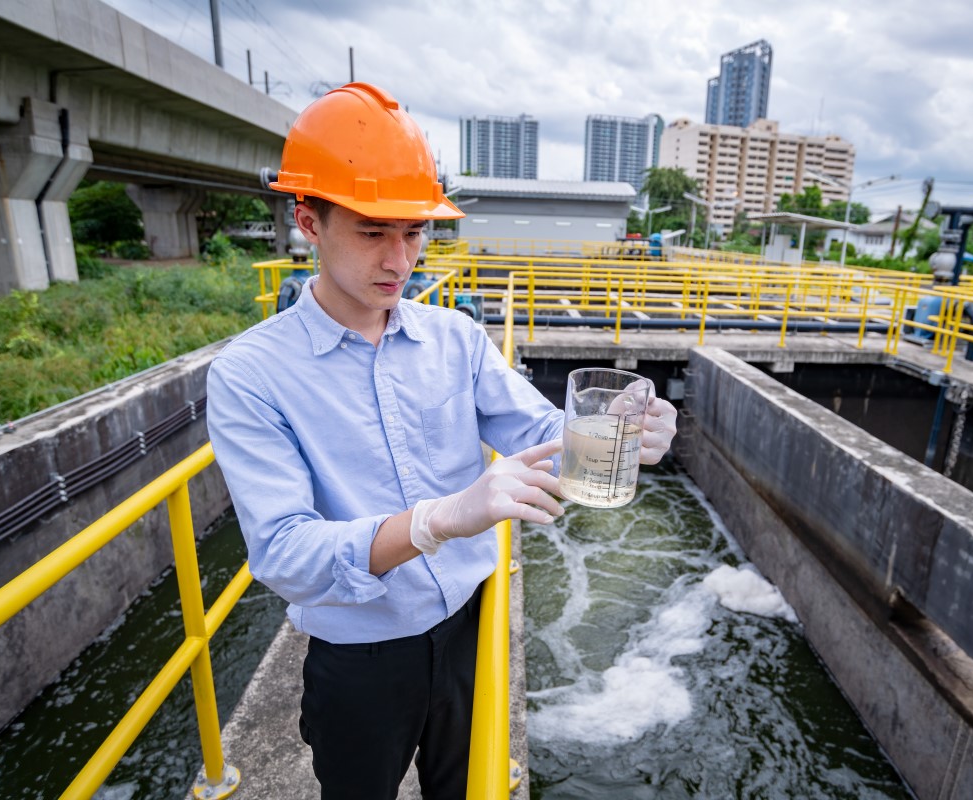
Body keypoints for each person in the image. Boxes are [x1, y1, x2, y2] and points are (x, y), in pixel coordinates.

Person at [206, 82, 677, 800]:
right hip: (358, 656)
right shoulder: (250, 374)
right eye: (373, 232)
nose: (401, 259)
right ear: (309, 220)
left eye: (416, 231)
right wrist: (437, 520)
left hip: (468, 630)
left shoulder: (455, 338)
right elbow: (285, 555)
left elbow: (538, 429)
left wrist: (620, 433)